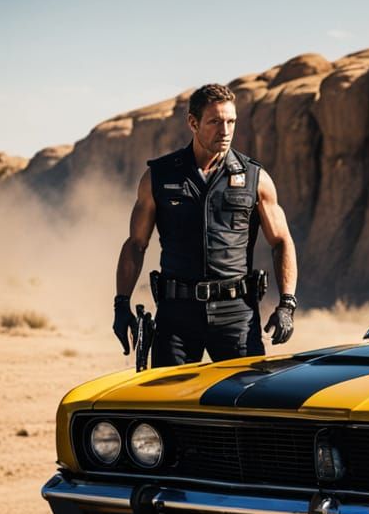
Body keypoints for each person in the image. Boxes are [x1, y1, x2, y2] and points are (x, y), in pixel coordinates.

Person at [113, 83, 298, 366]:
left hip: (236, 314)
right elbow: (136, 244)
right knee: (171, 394)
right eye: (215, 122)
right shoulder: (159, 176)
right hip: (176, 315)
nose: (225, 130)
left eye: (231, 121)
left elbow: (281, 241)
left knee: (244, 393)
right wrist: (121, 304)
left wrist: (287, 303)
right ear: (193, 123)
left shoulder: (255, 178)